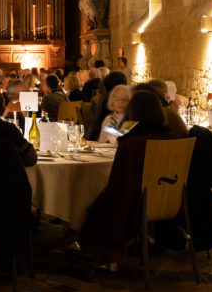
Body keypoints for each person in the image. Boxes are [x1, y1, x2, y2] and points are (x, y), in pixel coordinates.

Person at [73, 91, 177, 257]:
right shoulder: (171, 138)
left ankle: (82, 244)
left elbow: (121, 185)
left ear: (134, 110)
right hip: (170, 200)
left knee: (88, 197)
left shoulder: (133, 143)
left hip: (135, 204)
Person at [85, 71, 129, 141]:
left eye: (124, 100)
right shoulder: (109, 119)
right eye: (117, 99)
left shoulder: (129, 120)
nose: (120, 102)